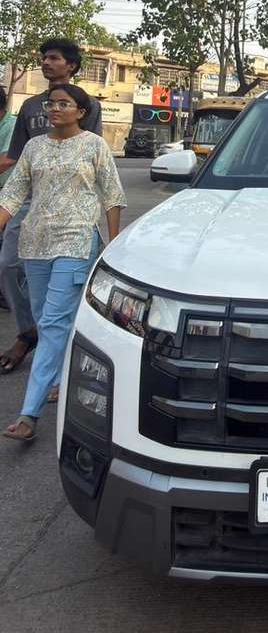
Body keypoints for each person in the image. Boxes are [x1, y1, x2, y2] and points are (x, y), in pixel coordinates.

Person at [0, 84, 125, 441]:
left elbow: (112, 196)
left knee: (53, 323)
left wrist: (113, 245)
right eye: (51, 104)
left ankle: (29, 413)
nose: (54, 109)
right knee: (46, 318)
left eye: (63, 104)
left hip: (77, 240)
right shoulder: (34, 147)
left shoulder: (94, 145)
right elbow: (14, 192)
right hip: (35, 243)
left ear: (81, 111)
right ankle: (58, 377)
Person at [0, 39, 102, 373]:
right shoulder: (30, 107)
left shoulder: (87, 104)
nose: (46, 62)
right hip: (30, 198)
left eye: (54, 58)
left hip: (71, 204)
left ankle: (60, 347)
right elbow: (15, 157)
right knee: (8, 264)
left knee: (67, 278)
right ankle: (28, 332)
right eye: (44, 57)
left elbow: (92, 154)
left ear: (71, 65)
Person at [0, 87, 16, 310]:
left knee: (7, 248)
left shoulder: (12, 125)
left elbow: (7, 160)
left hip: (10, 193)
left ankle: (6, 293)